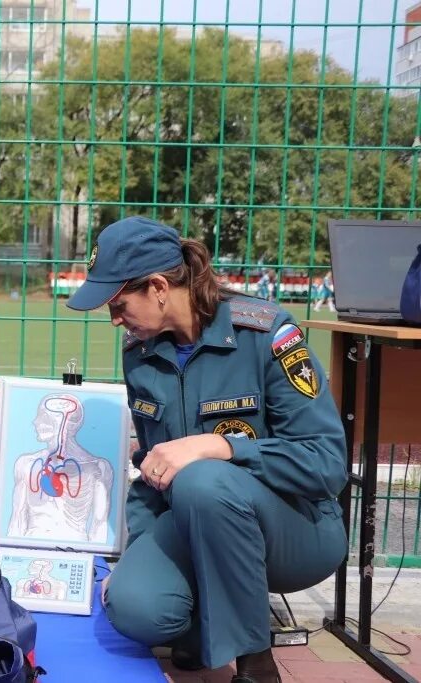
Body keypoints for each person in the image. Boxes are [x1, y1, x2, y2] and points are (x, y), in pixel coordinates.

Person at [66, 216, 347, 683]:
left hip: (298, 529)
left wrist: (221, 446)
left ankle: (256, 662)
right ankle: (205, 626)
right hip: (195, 521)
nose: (114, 318)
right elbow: (153, 468)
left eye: (118, 302)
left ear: (158, 286)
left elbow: (326, 463)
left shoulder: (267, 334)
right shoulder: (140, 352)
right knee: (136, 609)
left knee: (202, 477)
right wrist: (136, 553)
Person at [7, 393, 114, 544]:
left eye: (44, 418)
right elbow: (17, 517)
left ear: (63, 423)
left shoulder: (97, 467)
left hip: (76, 546)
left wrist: (95, 559)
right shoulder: (26, 463)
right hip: (32, 542)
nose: (36, 422)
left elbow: (100, 522)